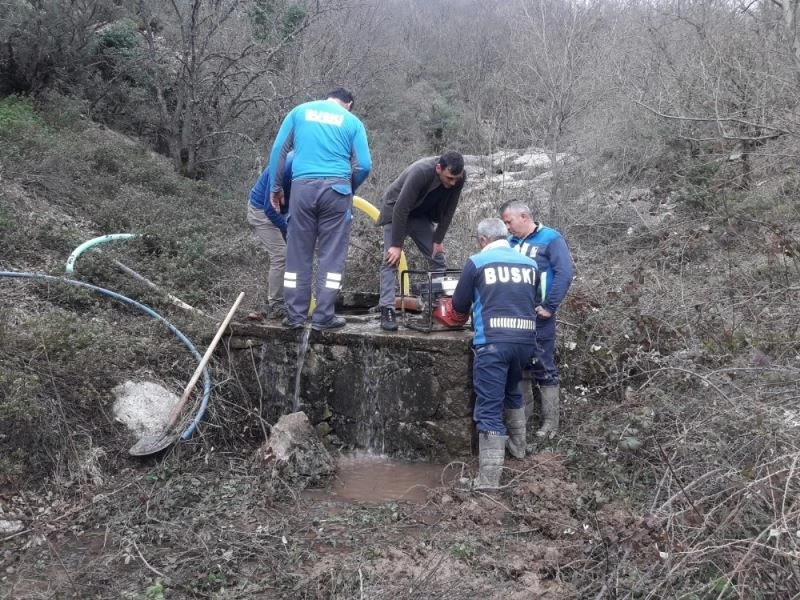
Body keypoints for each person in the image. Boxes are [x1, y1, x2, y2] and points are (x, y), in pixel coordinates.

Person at [268, 87, 372, 331]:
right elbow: (364, 165)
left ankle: (295, 316)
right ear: (348, 104)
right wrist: (348, 188)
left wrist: (275, 187)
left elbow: (278, 151)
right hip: (337, 190)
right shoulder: (352, 121)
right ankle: (324, 316)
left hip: (302, 188)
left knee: (297, 254)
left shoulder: (299, 112)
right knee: (331, 256)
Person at [450, 217, 540, 490]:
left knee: (488, 407)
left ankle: (488, 481)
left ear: (482, 240)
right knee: (512, 391)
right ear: (506, 236)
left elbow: (458, 307)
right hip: (525, 342)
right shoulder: (531, 264)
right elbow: (531, 300)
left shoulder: (477, 262)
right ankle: (519, 448)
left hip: (492, 343)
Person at [500, 200, 573, 438]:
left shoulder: (550, 238)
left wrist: (550, 306)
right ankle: (525, 420)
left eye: (509, 222)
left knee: (544, 365)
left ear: (523, 216)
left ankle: (551, 424)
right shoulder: (508, 242)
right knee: (519, 367)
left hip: (539, 316)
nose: (507, 227)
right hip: (513, 316)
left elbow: (564, 273)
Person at [376, 151, 466, 331]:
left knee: (438, 259)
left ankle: (433, 307)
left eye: (456, 179)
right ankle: (387, 309)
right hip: (396, 211)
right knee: (391, 260)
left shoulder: (459, 177)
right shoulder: (421, 171)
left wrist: (438, 240)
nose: (452, 183)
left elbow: (449, 210)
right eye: (449, 178)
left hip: (421, 215)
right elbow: (401, 208)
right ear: (438, 168)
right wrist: (396, 245)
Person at [246, 151, 294, 319]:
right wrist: (290, 229)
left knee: (295, 252)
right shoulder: (285, 168)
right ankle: (276, 304)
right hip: (261, 212)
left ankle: (294, 298)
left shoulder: (311, 166)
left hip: (283, 211)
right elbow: (269, 209)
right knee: (281, 255)